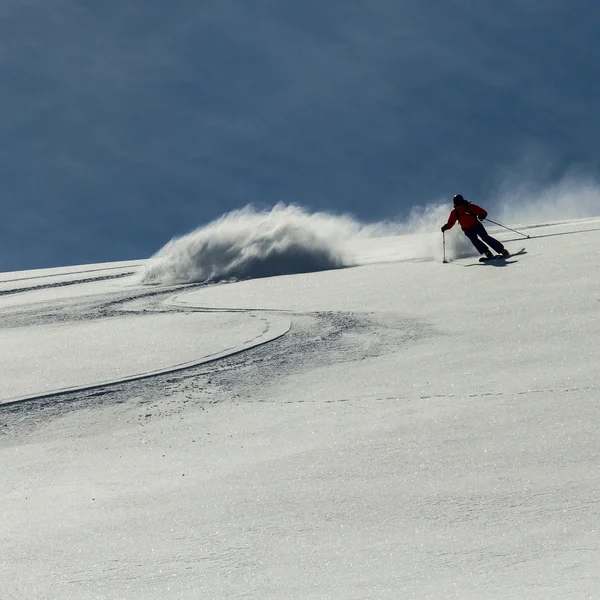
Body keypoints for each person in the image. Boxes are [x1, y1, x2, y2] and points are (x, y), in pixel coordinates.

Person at [441, 194, 510, 260]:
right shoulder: (455, 212)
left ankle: (502, 250)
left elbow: (483, 212)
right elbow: (450, 223)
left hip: (476, 226)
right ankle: (487, 253)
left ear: (463, 202)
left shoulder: (470, 207)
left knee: (485, 237)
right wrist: (445, 227)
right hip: (467, 230)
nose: (459, 206)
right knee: (475, 241)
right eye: (457, 204)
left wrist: (481, 216)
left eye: (460, 203)